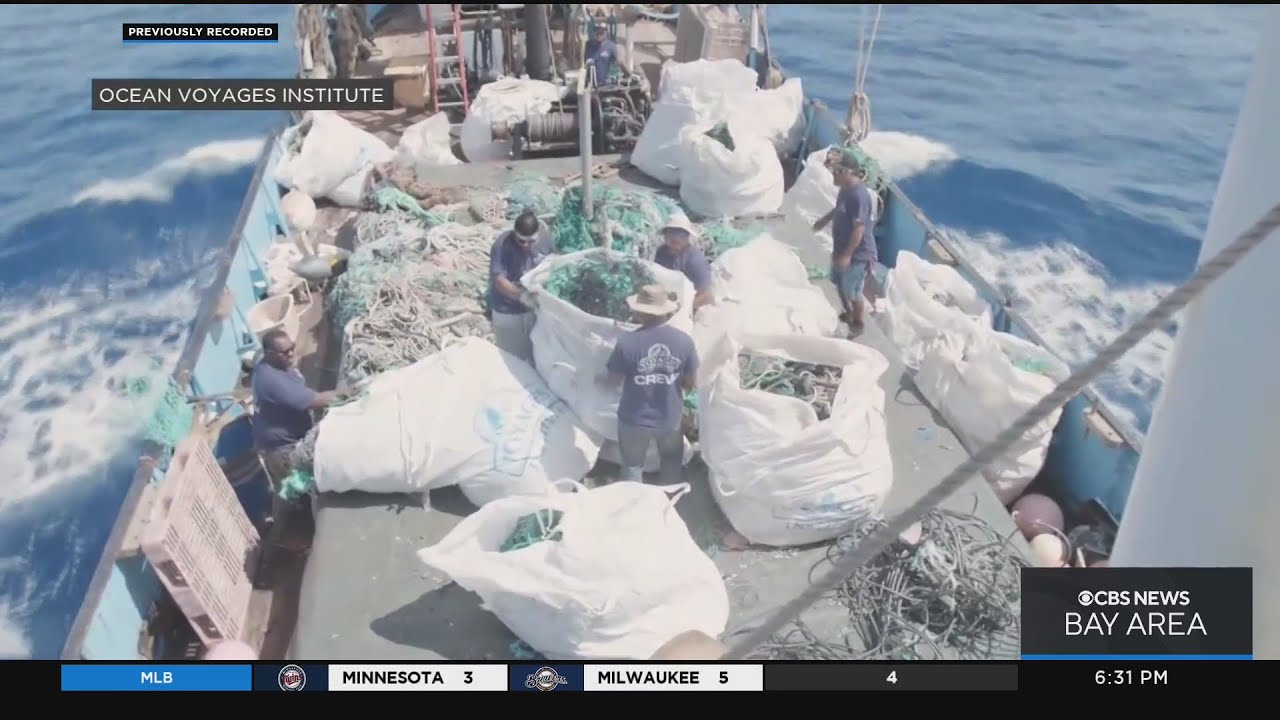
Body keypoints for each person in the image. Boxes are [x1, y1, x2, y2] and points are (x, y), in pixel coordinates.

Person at [252, 328, 347, 548]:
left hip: (285, 439)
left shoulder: (277, 366)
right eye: (284, 352)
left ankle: (290, 518)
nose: (290, 355)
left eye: (292, 349)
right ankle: (278, 541)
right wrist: (348, 394)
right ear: (268, 353)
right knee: (296, 488)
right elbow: (315, 400)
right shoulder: (271, 380)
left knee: (290, 490)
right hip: (282, 450)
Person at [598, 285, 698, 486]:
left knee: (633, 466)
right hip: (669, 418)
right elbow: (690, 383)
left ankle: (635, 506)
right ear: (666, 312)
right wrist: (667, 380)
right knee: (671, 462)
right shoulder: (684, 341)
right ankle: (670, 503)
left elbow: (613, 381)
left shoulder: (627, 343)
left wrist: (596, 380)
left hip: (634, 419)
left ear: (638, 312)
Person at [813, 150, 879, 336]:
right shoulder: (845, 189)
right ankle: (848, 313)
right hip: (841, 249)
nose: (833, 175)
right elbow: (839, 209)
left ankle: (858, 324)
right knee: (838, 283)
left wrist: (847, 255)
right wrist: (824, 220)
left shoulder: (859, 196)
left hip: (858, 255)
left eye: (836, 171)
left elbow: (859, 229)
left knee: (853, 291)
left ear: (847, 172)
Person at [488, 209, 553, 364]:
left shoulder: (547, 240)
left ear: (538, 234)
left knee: (535, 355)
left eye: (531, 241)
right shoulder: (502, 245)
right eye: (521, 241)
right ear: (514, 234)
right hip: (507, 311)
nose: (525, 245)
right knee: (510, 358)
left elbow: (553, 262)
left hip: (534, 310)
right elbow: (498, 279)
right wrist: (520, 296)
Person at [653, 214, 714, 312]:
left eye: (679, 234)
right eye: (670, 233)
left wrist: (680, 311)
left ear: (687, 236)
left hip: (686, 310)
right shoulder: (661, 252)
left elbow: (707, 297)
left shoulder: (695, 260)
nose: (674, 238)